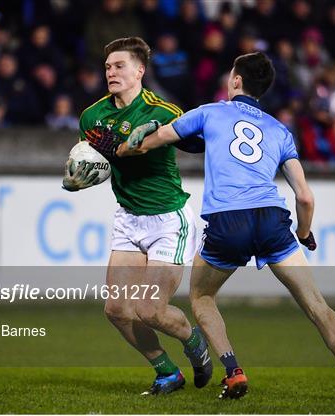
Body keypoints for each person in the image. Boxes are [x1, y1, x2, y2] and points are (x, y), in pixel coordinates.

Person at [117, 52, 335, 405]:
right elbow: (305, 197)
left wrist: (128, 145)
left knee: (201, 297)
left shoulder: (211, 111)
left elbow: (156, 138)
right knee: (318, 306)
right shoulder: (279, 129)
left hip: (229, 220)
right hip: (272, 219)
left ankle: (233, 370)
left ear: (236, 81)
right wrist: (304, 234)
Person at [61, 37, 212, 395]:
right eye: (108, 67)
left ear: (140, 70)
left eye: (119, 66)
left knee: (149, 309)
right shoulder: (93, 116)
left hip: (167, 220)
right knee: (116, 308)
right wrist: (76, 179)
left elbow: (200, 142)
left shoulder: (162, 111)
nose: (111, 72)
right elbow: (94, 161)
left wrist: (159, 137)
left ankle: (195, 342)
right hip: (129, 219)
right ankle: (167, 373)